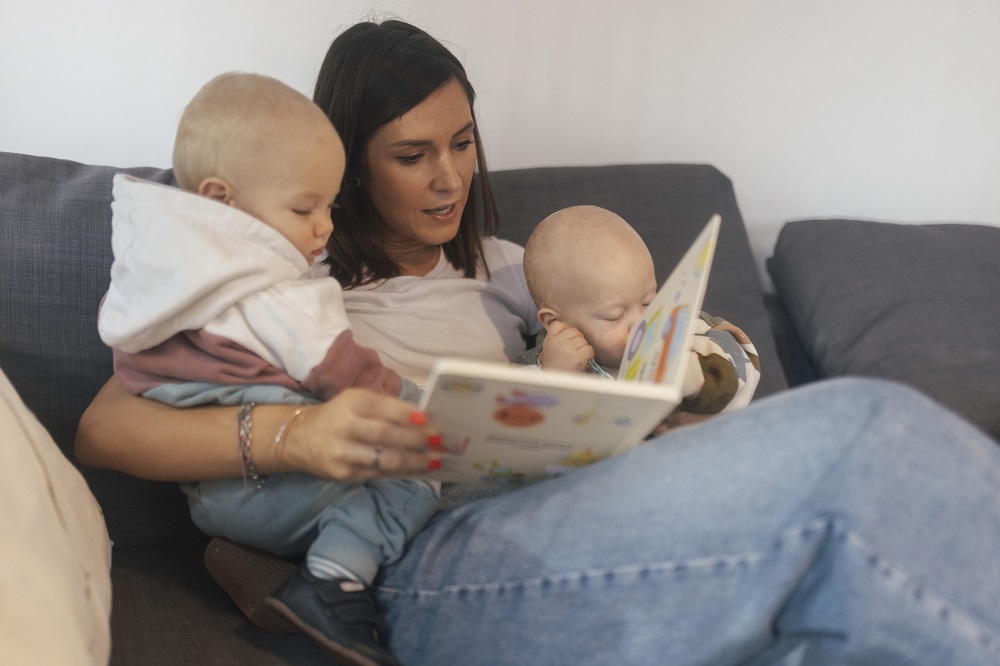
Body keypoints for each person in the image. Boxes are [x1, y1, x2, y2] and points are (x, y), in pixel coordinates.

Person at [75, 19, 1000, 666]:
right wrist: (297, 437)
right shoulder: (290, 293)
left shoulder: (522, 267)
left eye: (463, 142)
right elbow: (108, 426)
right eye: (411, 155)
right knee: (868, 430)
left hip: (602, 498)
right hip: (439, 548)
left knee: (848, 614)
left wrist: (677, 374)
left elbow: (708, 344)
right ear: (345, 164)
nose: (449, 179)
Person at [97, 72, 439, 665]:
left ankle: (267, 567)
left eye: (330, 205)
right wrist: (413, 406)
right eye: (305, 207)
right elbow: (343, 370)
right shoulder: (272, 289)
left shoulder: (159, 277)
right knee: (412, 479)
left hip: (220, 493)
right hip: (270, 474)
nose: (324, 226)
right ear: (221, 201)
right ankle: (332, 584)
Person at [514, 204, 760, 428]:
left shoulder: (684, 327)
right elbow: (509, 424)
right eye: (614, 316)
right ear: (557, 323)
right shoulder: (539, 365)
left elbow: (744, 371)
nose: (641, 322)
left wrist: (680, 371)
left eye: (648, 302)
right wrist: (553, 378)